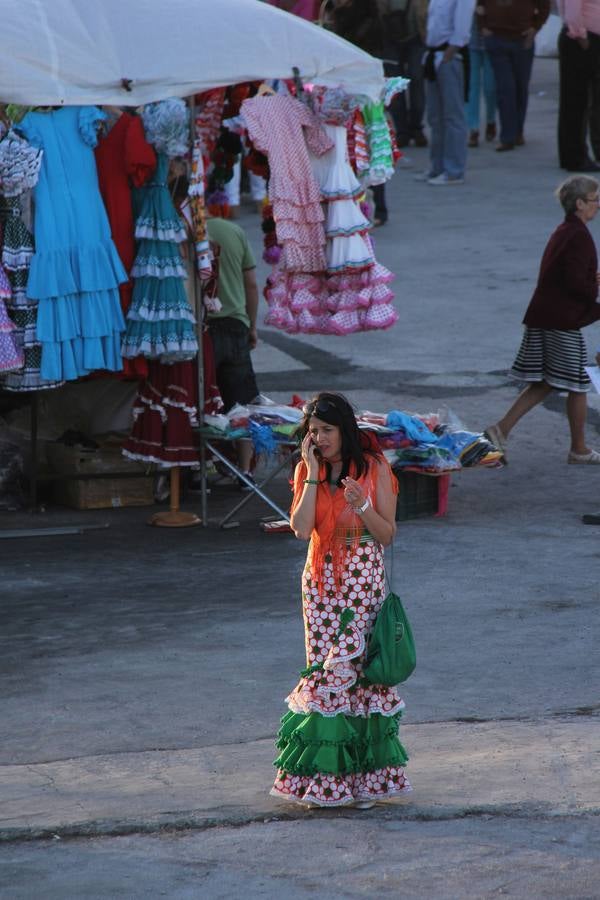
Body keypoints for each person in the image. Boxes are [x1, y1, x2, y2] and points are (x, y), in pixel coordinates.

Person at [271, 392, 411, 808]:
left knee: (356, 673)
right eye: (313, 431)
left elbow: (386, 535)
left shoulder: (374, 468)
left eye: (327, 430)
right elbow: (300, 528)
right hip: (319, 584)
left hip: (362, 579)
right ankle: (324, 781)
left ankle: (365, 781)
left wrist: (362, 504)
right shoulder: (306, 467)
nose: (320, 437)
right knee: (324, 672)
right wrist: (312, 473)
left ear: (344, 430)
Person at [485, 176, 600, 465]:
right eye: (595, 200)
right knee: (576, 383)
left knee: (547, 381)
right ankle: (579, 449)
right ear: (579, 204)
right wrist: (594, 286)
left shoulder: (566, 231)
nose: (598, 206)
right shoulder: (578, 236)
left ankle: (500, 430)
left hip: (547, 315)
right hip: (559, 320)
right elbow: (575, 283)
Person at [205, 214, 261, 481]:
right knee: (241, 403)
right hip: (236, 325)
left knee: (202, 402)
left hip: (203, 329)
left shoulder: (188, 232)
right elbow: (251, 284)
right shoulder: (234, 230)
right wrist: (251, 325)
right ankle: (246, 470)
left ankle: (198, 468)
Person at [415, 0, 476, 186]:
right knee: (435, 117)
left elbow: (462, 25)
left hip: (449, 56)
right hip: (434, 54)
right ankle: (437, 166)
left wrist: (452, 49)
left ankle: (454, 170)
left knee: (452, 116)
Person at [477, 0, 550, 152]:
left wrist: (534, 28)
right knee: (505, 89)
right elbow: (478, 6)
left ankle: (518, 131)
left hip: (522, 39)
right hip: (496, 38)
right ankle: (507, 137)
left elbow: (544, 6)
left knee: (520, 86)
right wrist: (482, 26)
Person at [557, 0, 600, 172]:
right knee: (576, 101)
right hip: (582, 39)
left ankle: (575, 154)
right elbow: (572, 8)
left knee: (583, 100)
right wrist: (580, 35)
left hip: (588, 38)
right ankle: (575, 157)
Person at [380, 0, 428, 149]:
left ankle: (416, 127)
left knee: (417, 80)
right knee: (394, 85)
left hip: (415, 36)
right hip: (389, 36)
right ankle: (402, 131)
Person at [466, 11, 497, 147]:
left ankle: (491, 120)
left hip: (491, 42)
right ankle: (473, 128)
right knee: (472, 87)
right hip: (470, 43)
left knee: (490, 87)